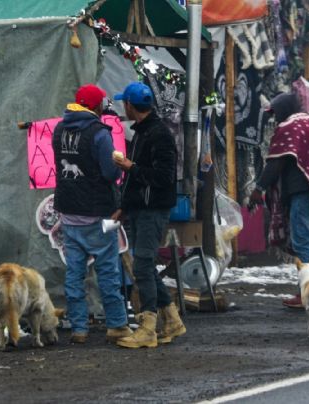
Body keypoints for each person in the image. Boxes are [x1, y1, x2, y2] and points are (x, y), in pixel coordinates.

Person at [249, 93, 309, 309]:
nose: (275, 119)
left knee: (302, 241)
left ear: (284, 109)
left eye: (275, 113)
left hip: (301, 192)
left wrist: (259, 188)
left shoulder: (291, 126)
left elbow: (276, 162)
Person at [52, 84, 132, 344]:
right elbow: (110, 173)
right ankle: (118, 325)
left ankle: (79, 329)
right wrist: (120, 167)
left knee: (74, 274)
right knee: (108, 270)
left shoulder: (58, 130)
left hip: (68, 215)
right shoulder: (99, 134)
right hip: (100, 216)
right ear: (97, 107)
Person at [111, 82, 186, 349]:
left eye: (125, 103)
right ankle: (173, 321)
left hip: (153, 210)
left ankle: (147, 328)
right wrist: (125, 206)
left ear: (130, 106)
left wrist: (131, 167)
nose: (124, 107)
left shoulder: (159, 135)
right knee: (144, 266)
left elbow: (164, 177)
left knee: (142, 265)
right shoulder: (144, 132)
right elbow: (137, 181)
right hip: (140, 209)